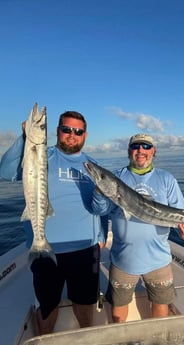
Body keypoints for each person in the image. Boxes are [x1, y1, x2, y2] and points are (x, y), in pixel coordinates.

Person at [0, 110, 108, 334]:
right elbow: (6, 171)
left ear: (85, 135)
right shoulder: (41, 155)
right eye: (66, 129)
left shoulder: (93, 165)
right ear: (57, 131)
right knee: (48, 306)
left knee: (85, 304)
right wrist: (24, 138)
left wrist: (101, 235)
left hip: (85, 249)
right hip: (46, 248)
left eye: (77, 131)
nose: (72, 135)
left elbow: (101, 208)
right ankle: (45, 338)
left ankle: (86, 338)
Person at [91, 133, 184, 323]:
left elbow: (182, 216)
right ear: (129, 151)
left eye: (146, 147)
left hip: (158, 259)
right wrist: (100, 189)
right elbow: (100, 210)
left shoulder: (166, 179)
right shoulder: (116, 177)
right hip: (123, 259)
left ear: (154, 152)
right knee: (118, 306)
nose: (141, 150)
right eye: (136, 146)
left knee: (160, 304)